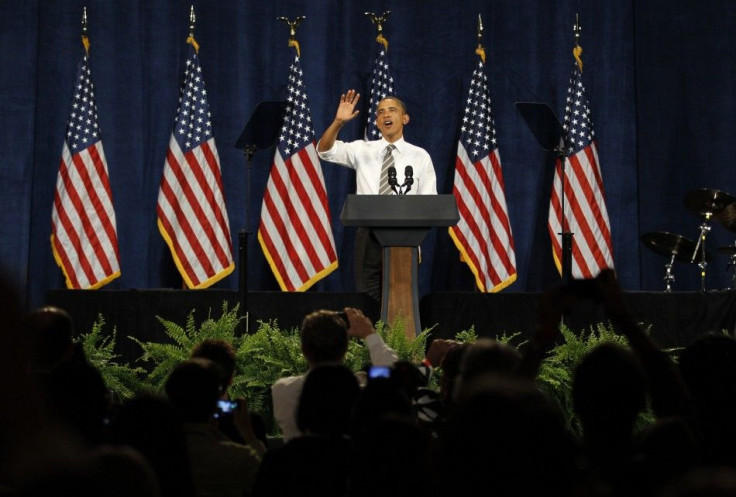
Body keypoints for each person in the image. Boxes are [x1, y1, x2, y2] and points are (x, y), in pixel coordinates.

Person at [317, 90, 437, 300]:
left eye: (392, 110)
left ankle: (397, 335)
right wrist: (338, 122)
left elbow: (429, 203)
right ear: (377, 122)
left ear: (405, 118)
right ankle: (372, 334)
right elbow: (324, 151)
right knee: (368, 298)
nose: (385, 115)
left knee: (400, 300)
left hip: (405, 235)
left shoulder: (420, 157)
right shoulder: (362, 149)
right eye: (380, 112)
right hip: (368, 235)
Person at [271, 308, 397, 442]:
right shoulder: (361, 389)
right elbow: (395, 379)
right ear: (346, 348)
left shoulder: (283, 391)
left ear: (303, 349)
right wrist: (369, 333)